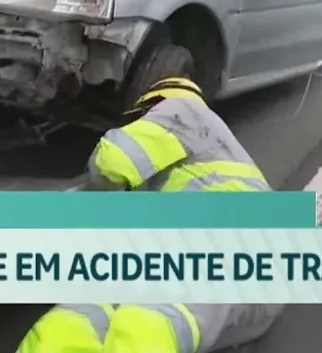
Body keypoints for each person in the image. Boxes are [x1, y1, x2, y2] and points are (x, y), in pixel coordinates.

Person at [16, 76, 284, 353]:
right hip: (254, 294)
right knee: (80, 317)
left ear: (152, 105)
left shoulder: (181, 110)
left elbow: (113, 163)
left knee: (144, 324)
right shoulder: (209, 146)